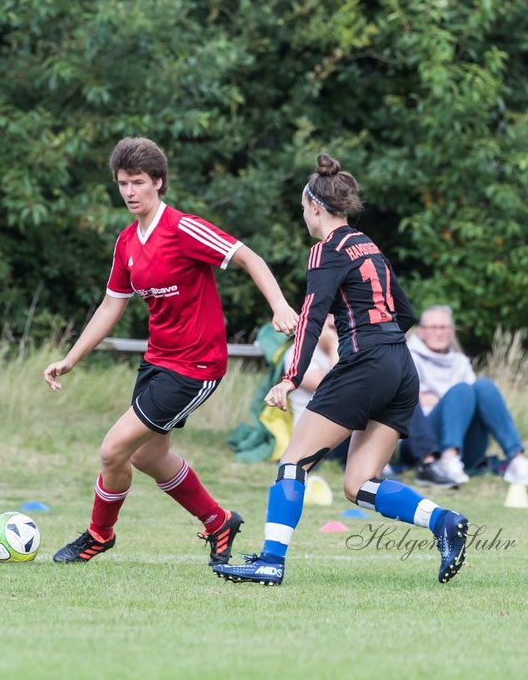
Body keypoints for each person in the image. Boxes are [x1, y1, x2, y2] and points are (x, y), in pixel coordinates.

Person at [212, 154, 470, 587]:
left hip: (366, 363)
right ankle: (444, 521)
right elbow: (404, 311)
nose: (303, 216)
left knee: (293, 463)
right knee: (359, 484)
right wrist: (382, 346)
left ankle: (270, 562)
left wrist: (291, 377)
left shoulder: (325, 250)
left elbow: (311, 317)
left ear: (315, 206)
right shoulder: (368, 244)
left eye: (302, 208)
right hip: (401, 365)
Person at [43, 137, 298, 566]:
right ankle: (219, 522)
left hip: (197, 365)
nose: (129, 191)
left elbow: (248, 257)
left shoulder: (184, 229)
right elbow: (111, 305)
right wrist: (71, 358)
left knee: (113, 450)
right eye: (122, 183)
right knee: (146, 455)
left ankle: (99, 534)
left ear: (158, 182)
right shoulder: (126, 242)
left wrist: (280, 305)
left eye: (138, 182)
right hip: (159, 360)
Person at [407, 305, 528, 486]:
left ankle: (517, 459)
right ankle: (447, 459)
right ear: (421, 332)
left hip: (464, 440)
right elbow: (403, 401)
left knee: (484, 386)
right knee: (461, 390)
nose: (439, 333)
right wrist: (447, 399)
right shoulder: (408, 357)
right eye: (433, 327)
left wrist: (443, 399)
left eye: (444, 327)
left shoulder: (460, 362)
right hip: (422, 440)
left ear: (452, 331)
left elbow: (470, 400)